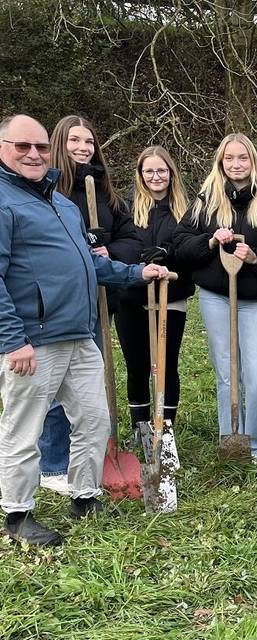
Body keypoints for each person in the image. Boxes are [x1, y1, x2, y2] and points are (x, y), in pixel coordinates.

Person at [0, 114, 168, 546]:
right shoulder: (3, 202)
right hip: (33, 340)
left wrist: (135, 271)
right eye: (22, 147)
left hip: (80, 333)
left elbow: (89, 263)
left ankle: (85, 495)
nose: (33, 154)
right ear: (4, 149)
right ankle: (18, 513)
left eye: (39, 147)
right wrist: (12, 339)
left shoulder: (60, 202)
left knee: (94, 420)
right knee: (24, 428)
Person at [38, 115, 138, 496]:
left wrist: (106, 247)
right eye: (74, 141)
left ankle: (89, 458)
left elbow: (131, 238)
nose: (83, 148)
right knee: (54, 384)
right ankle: (52, 463)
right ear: (59, 143)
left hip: (100, 301)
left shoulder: (105, 193)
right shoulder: (46, 193)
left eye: (89, 142)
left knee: (87, 384)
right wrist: (81, 244)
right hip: (59, 304)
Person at [174, 133, 257, 462]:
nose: (236, 164)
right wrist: (208, 240)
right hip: (217, 297)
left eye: (242, 158)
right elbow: (180, 242)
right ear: (221, 162)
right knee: (226, 372)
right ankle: (231, 439)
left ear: (253, 161)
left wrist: (255, 257)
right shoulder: (206, 199)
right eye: (229, 158)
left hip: (255, 299)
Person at [115, 147, 194, 432]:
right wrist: (136, 258)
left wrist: (168, 252)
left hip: (170, 295)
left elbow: (192, 248)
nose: (155, 176)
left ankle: (166, 426)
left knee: (165, 365)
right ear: (140, 174)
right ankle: (141, 427)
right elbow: (119, 245)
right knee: (136, 365)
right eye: (149, 171)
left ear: (171, 172)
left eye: (161, 170)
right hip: (132, 297)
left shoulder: (187, 208)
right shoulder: (125, 207)